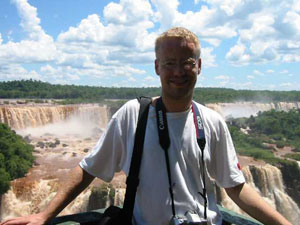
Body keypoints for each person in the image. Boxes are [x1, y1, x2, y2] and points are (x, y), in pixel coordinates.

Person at [0, 27, 292, 225]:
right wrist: (43, 216)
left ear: (199, 66)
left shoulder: (213, 122)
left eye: (187, 62)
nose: (178, 71)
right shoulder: (133, 115)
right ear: (157, 67)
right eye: (169, 63)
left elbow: (236, 188)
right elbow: (88, 169)